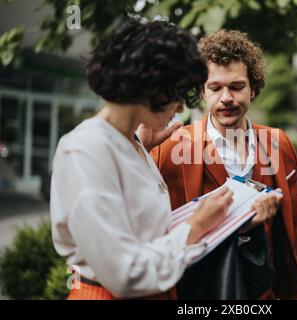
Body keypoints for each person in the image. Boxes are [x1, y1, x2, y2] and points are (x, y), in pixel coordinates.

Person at [144, 29, 297, 299]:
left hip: (268, 290)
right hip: (203, 290)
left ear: (253, 89)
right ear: (202, 91)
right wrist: (137, 146)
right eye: (215, 88)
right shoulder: (172, 147)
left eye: (236, 86)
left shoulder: (276, 141)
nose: (226, 98)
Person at [50, 20, 235, 300]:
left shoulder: (130, 142)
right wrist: (196, 225)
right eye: (177, 92)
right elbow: (125, 273)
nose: (181, 107)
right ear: (151, 86)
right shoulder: (86, 149)